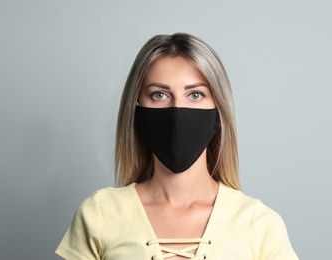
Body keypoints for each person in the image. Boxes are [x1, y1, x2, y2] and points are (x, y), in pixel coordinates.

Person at [56, 33, 298, 259]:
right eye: (159, 95)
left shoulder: (260, 224)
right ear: (137, 108)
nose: (176, 111)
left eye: (195, 95)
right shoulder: (99, 214)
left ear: (218, 110)